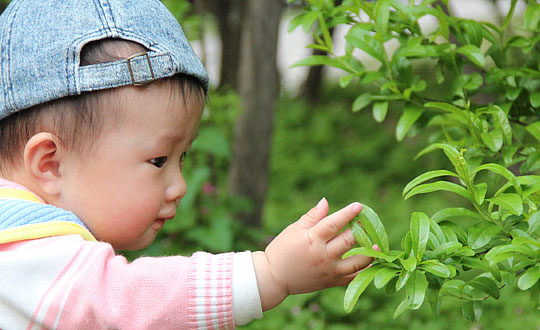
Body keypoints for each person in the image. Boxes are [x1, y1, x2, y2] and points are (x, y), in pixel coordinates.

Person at [0, 0, 373, 328]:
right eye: (159, 159)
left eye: (183, 157)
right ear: (50, 163)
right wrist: (269, 274)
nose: (180, 186)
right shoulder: (25, 257)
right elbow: (123, 302)